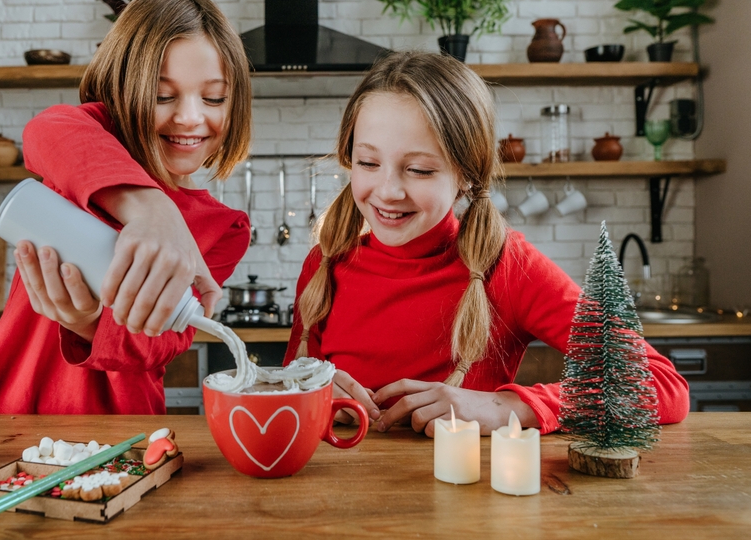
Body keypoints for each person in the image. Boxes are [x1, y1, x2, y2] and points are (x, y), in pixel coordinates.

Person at [283, 51, 688, 435]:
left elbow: (664, 386)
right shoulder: (323, 264)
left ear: (465, 176)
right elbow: (285, 399)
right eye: (368, 163)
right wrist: (308, 393)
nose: (387, 191)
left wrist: (506, 408)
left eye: (420, 170)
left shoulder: (508, 266)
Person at [0, 0, 252, 414]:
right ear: (121, 91)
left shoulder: (223, 228)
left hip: (124, 428)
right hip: (17, 411)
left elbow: (161, 343)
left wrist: (87, 323)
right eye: (162, 95)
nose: (190, 117)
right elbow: (46, 129)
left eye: (213, 98)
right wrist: (153, 209)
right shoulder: (86, 153)